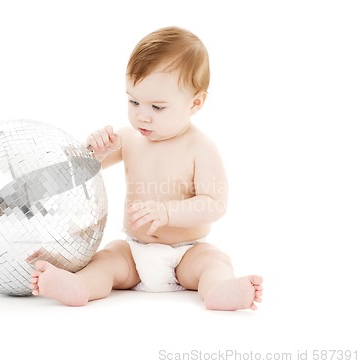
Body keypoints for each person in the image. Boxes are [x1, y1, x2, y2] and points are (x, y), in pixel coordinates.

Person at [29, 26, 263, 310]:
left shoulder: (200, 148)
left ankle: (218, 291)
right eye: (134, 101)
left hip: (186, 253)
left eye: (158, 107)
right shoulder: (129, 138)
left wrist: (167, 213)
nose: (142, 115)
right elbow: (83, 172)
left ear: (195, 103)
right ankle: (80, 287)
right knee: (106, 260)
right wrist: (94, 151)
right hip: (134, 251)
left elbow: (215, 204)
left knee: (214, 262)